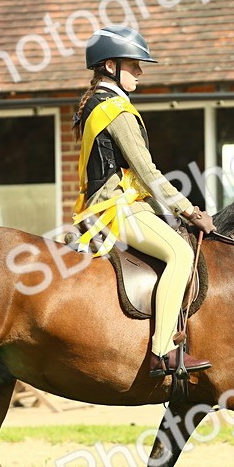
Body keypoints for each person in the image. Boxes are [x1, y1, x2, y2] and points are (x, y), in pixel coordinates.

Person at [72, 26, 216, 378]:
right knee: (180, 254)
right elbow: (147, 171)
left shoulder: (96, 103)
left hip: (112, 204)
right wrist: (188, 210)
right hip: (116, 207)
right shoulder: (114, 108)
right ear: (110, 66)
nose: (140, 71)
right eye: (134, 65)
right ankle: (163, 350)